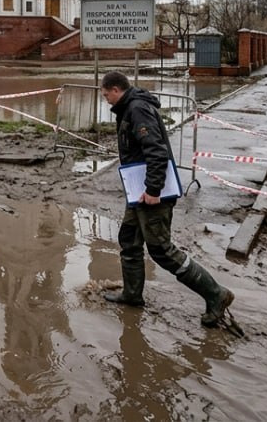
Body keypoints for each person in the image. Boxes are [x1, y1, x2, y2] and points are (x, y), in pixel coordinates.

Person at [99, 71, 235, 328]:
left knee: (161, 250)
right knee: (129, 240)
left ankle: (216, 294)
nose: (106, 101)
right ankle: (132, 294)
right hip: (138, 191)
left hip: (153, 193)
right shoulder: (129, 108)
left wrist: (153, 190)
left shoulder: (137, 110)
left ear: (116, 90)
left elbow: (156, 152)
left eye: (106, 95)